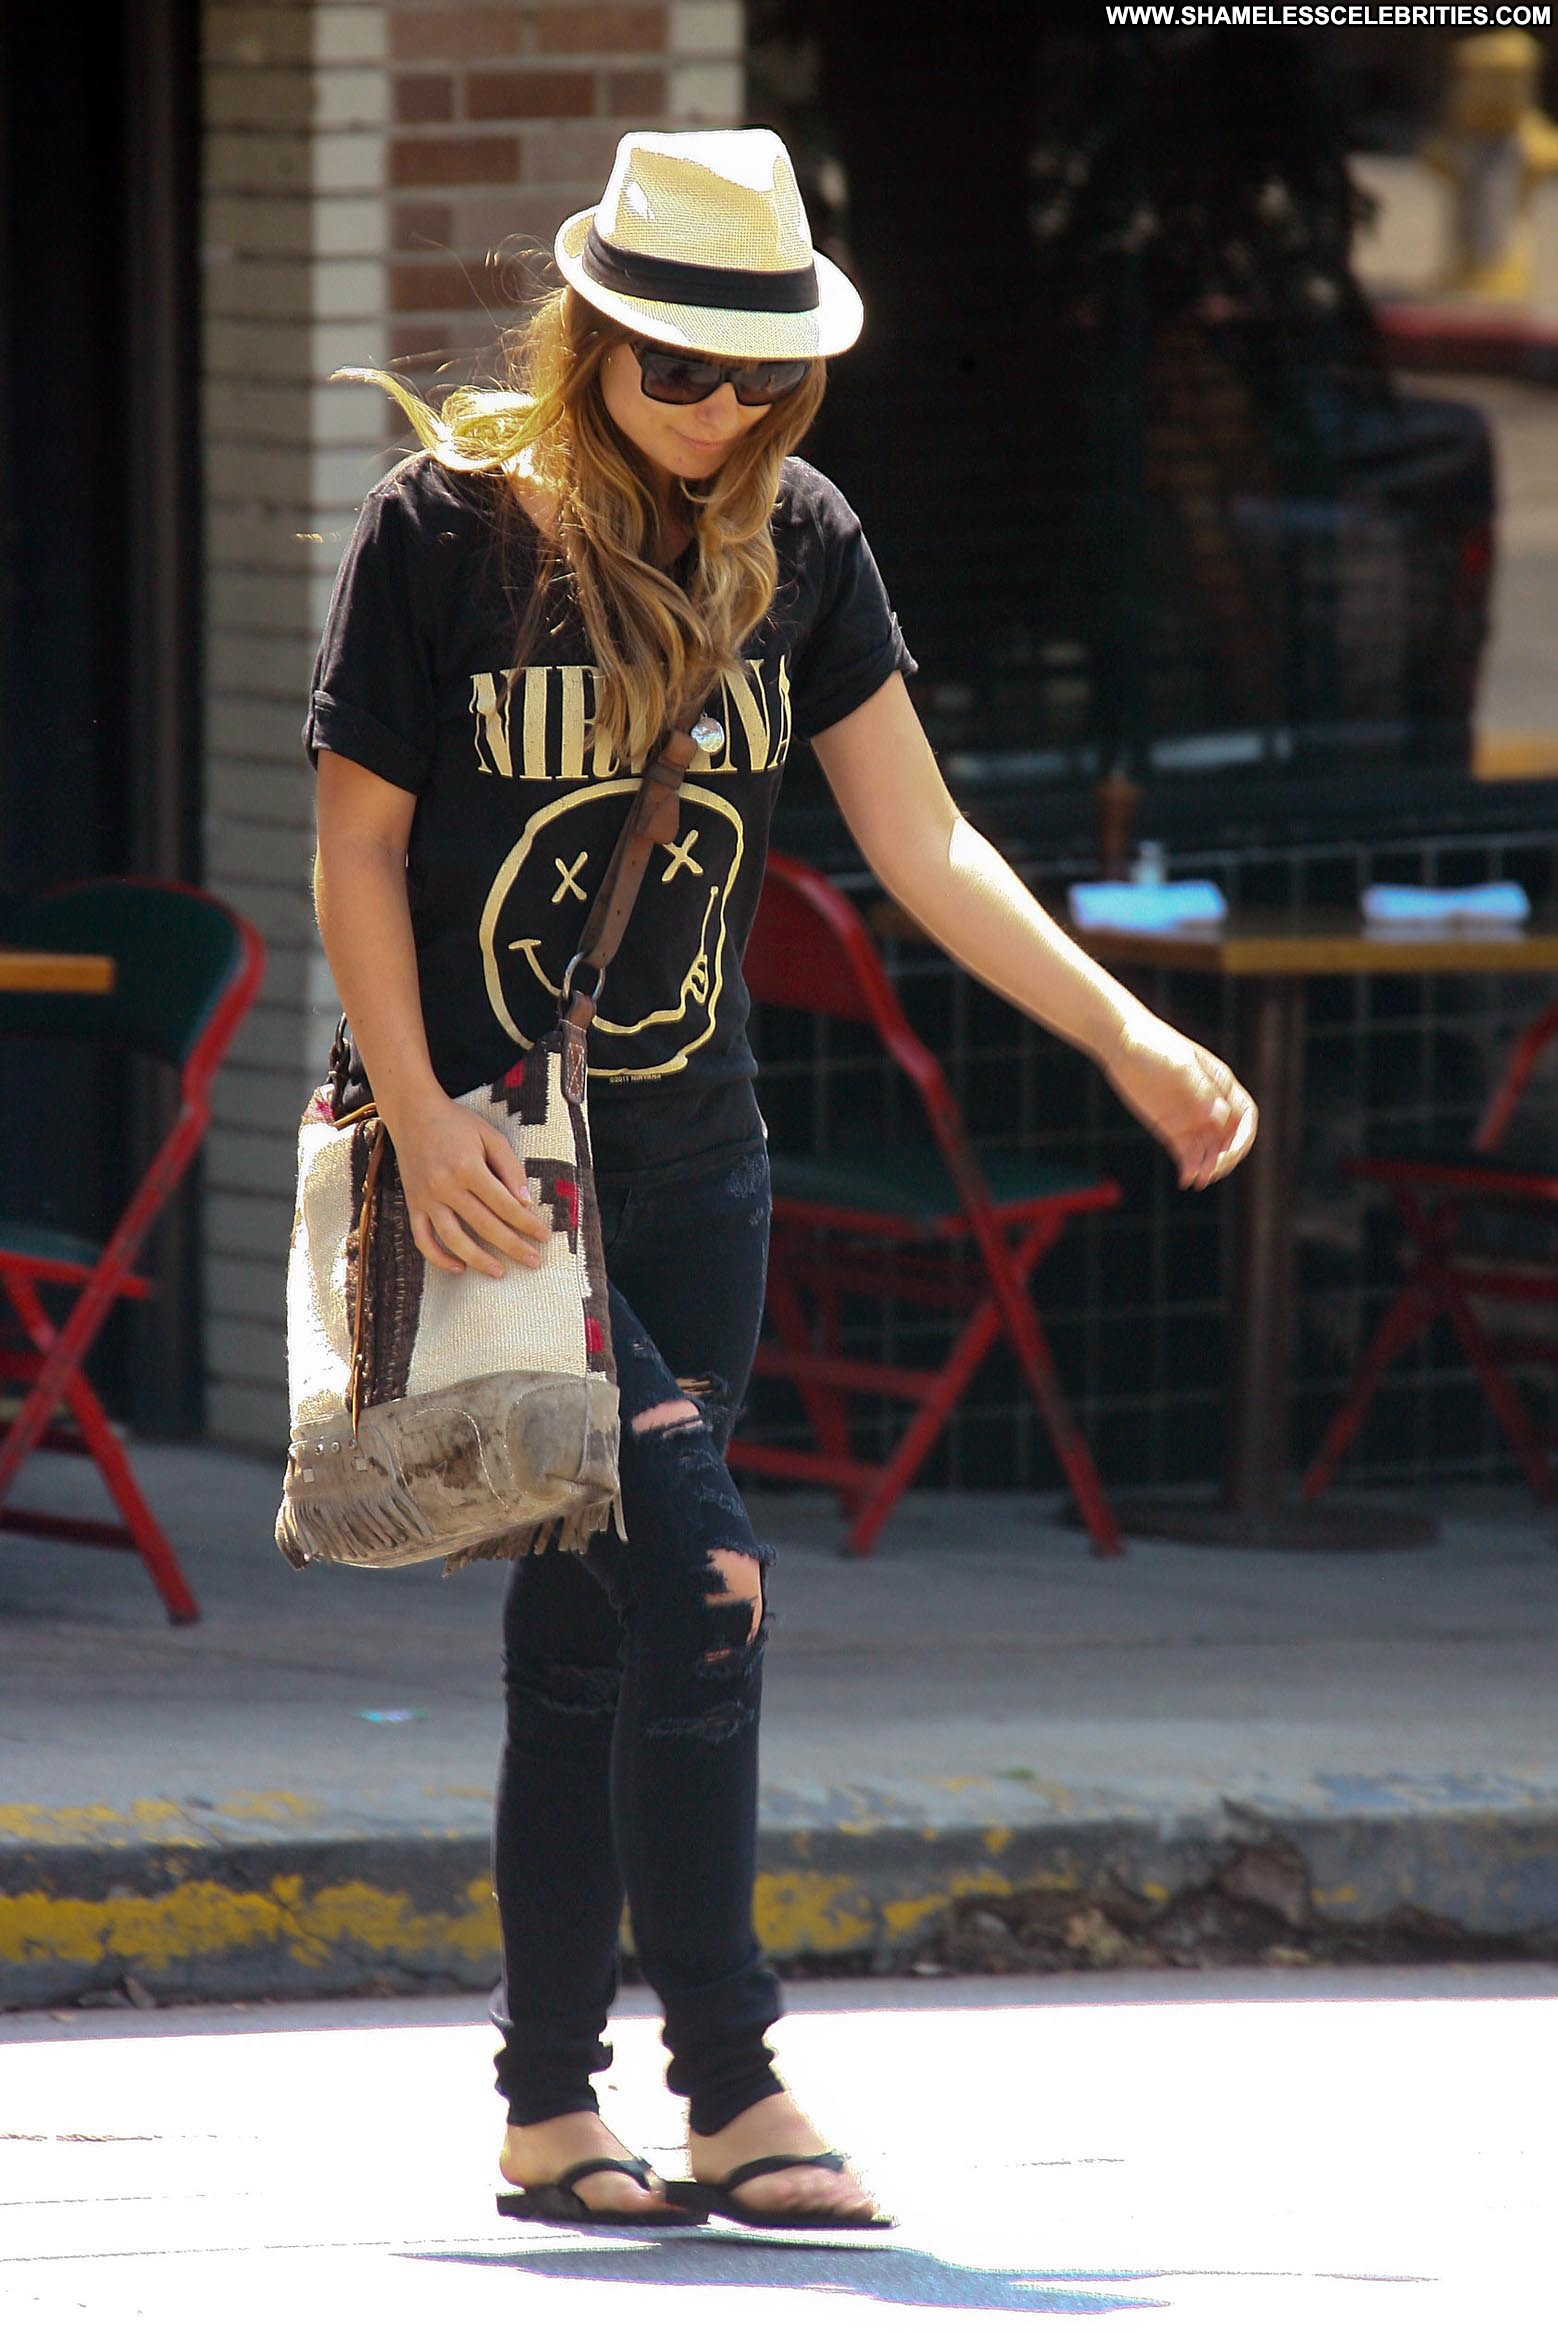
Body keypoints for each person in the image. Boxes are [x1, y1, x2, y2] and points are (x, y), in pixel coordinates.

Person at [303, 126, 1257, 2232]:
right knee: (709, 1579)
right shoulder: (443, 530)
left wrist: (1119, 1032)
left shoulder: (796, 542)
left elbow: (921, 841)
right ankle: (733, 2084)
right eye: (679, 368)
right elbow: (355, 845)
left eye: (763, 377)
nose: (720, 411)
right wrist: (419, 1105)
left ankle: (549, 2110)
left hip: (696, 1170)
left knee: (601, 1631)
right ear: (590, 335)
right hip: (500, 1175)